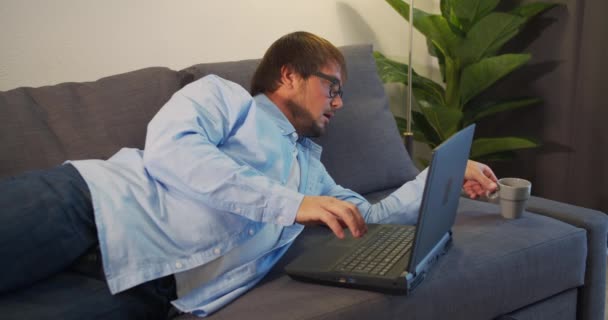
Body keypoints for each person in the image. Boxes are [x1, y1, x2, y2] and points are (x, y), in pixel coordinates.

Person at [0, 31, 497, 319]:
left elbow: (369, 216)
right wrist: (289, 205)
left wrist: (440, 177)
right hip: (85, 206)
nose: (340, 103)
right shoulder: (225, 99)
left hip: (148, 291)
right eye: (332, 87)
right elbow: (172, 150)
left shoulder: (311, 171)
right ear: (289, 75)